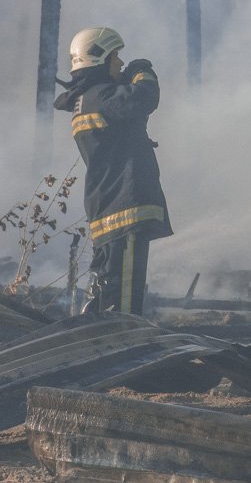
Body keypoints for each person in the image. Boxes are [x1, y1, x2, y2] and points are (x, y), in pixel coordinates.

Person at [54, 27, 172, 315]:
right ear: (99, 59)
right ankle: (119, 345)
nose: (120, 63)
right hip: (125, 208)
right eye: (115, 57)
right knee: (124, 304)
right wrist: (142, 70)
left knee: (107, 289)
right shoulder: (102, 97)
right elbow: (144, 98)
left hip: (108, 209)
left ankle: (94, 335)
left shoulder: (86, 100)